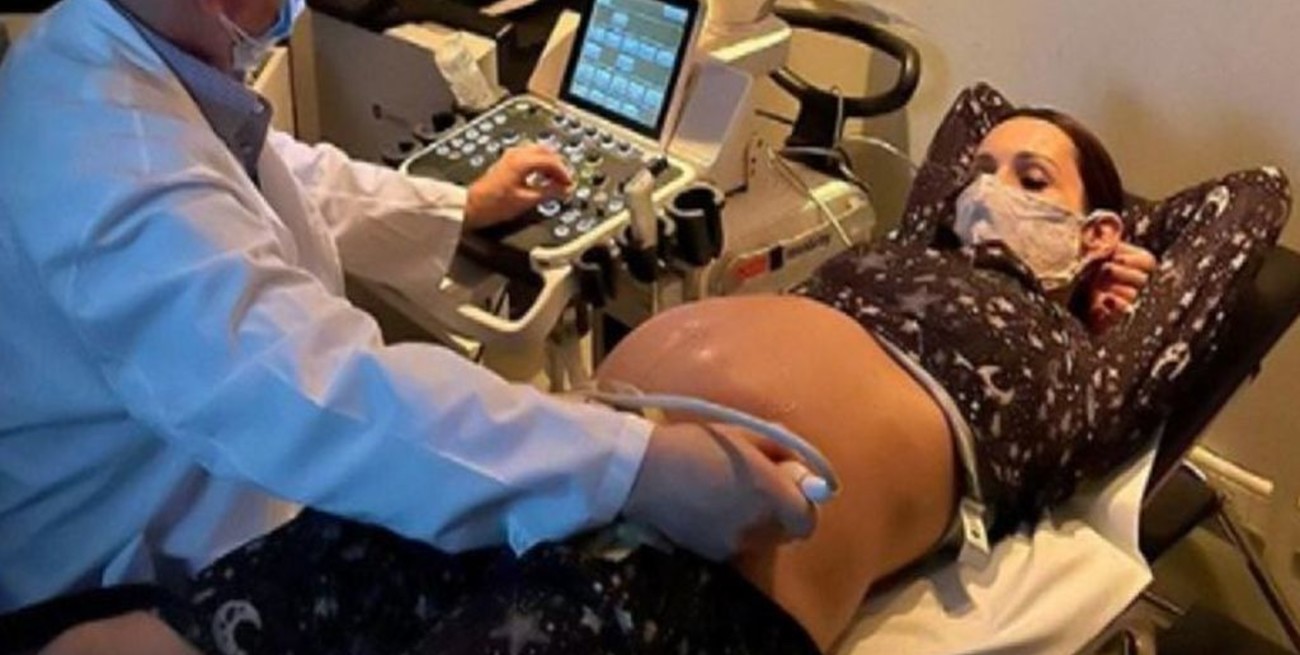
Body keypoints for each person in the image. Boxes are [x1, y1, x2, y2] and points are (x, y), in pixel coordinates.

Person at [0, 0, 817, 636]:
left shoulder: (127, 52)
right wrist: (635, 466)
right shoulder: (104, 144)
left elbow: (274, 174)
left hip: (208, 510)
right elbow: (309, 389)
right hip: (114, 587)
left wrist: (458, 205)